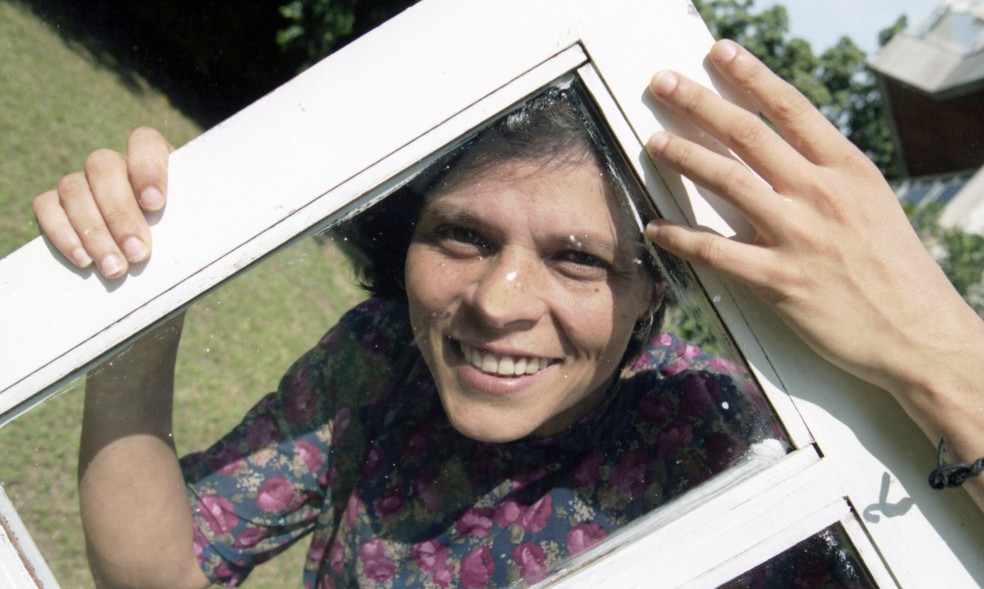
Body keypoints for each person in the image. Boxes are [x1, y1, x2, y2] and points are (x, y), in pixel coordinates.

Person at [31, 40, 984, 588]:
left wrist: (939, 352)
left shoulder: (729, 441)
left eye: (578, 258)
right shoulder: (383, 356)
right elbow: (166, 571)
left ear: (654, 288)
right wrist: (140, 308)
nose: (495, 302)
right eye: (462, 236)